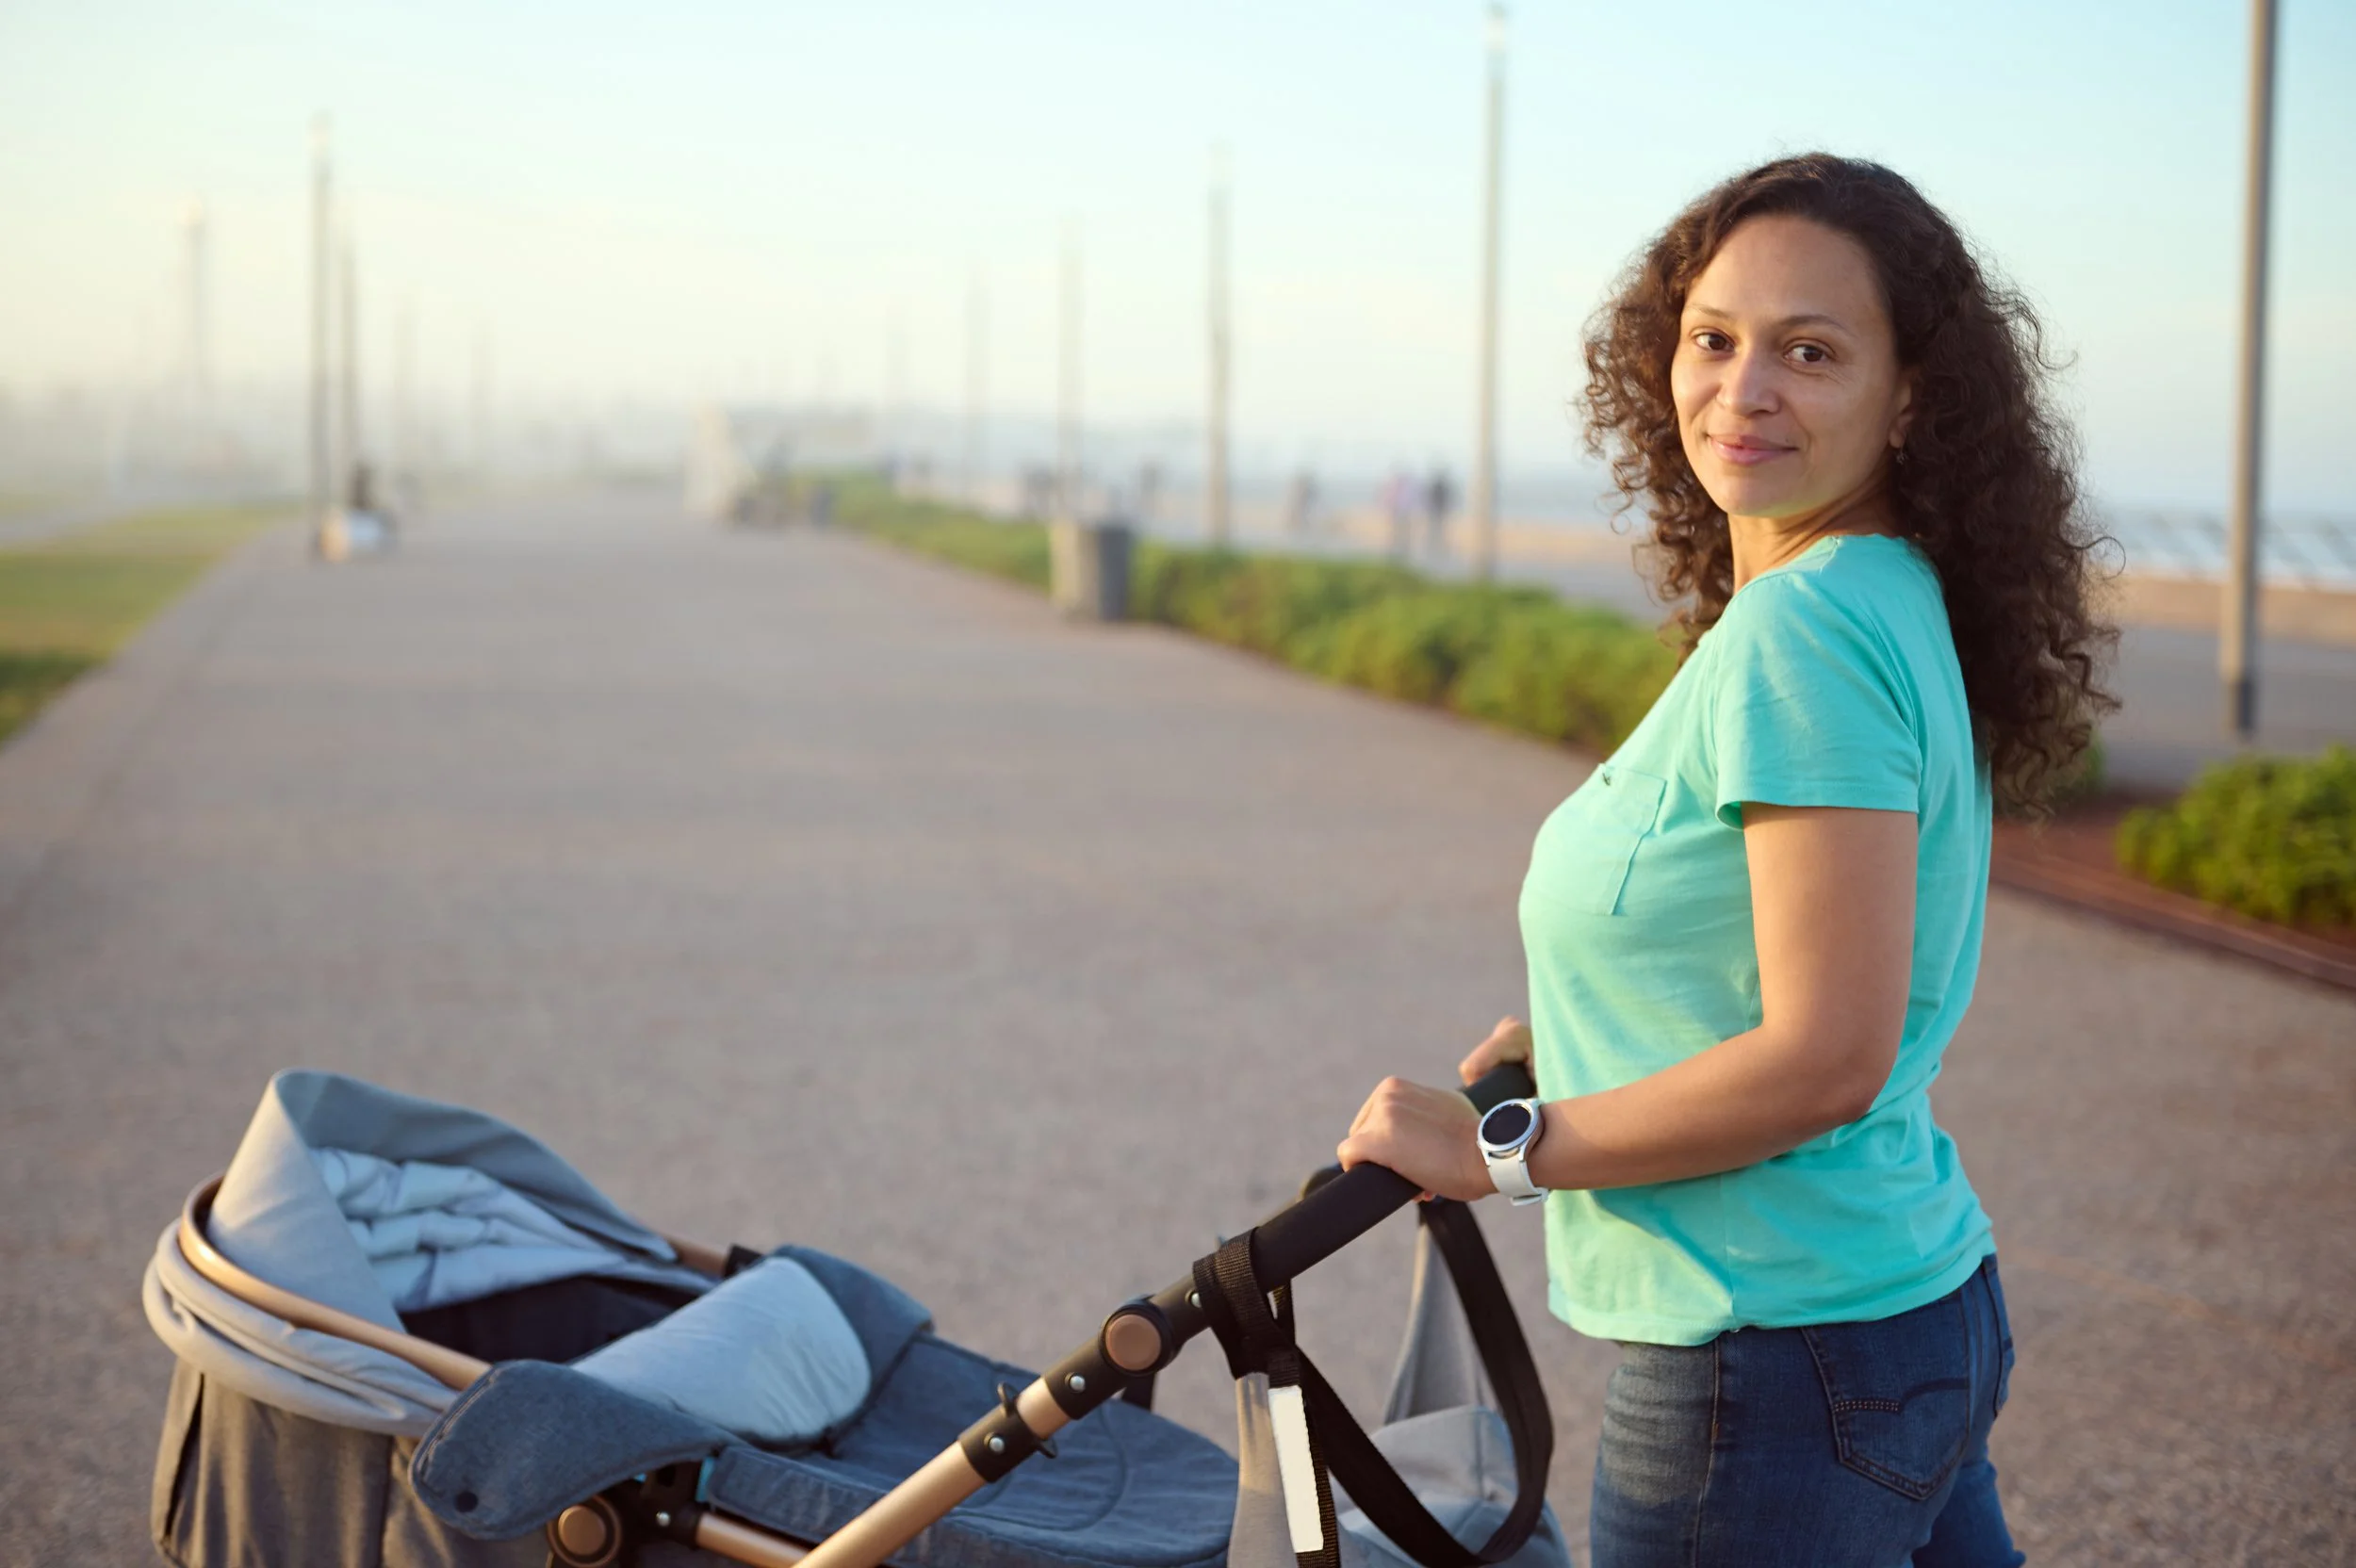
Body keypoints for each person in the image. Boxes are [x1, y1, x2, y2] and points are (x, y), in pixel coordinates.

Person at [1335, 154, 2113, 1567]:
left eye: (1810, 352)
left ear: (1913, 395)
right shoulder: (1879, 590)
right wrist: (1586, 1032)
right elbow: (1786, 948)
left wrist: (1501, 1152)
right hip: (1902, 1308)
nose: (1744, 391)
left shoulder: (1802, 631)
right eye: (1715, 339)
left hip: (1777, 1358)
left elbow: (1825, 1054)